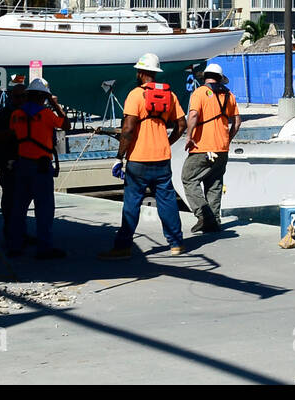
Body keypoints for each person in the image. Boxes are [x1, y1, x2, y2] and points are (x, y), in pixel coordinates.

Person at [98, 53, 188, 259]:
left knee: (132, 204)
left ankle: (122, 247)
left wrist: (119, 156)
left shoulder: (135, 95)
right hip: (162, 158)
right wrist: (168, 142)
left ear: (140, 73)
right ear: (155, 73)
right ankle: (176, 244)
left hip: (138, 159)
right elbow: (181, 125)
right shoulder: (170, 96)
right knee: (167, 201)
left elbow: (128, 129)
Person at [5, 78, 69, 260]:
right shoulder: (46, 114)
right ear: (43, 97)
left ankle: (15, 246)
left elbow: (14, 133)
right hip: (41, 165)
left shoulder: (15, 115)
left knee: (18, 208)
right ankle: (44, 248)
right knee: (44, 209)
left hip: (22, 164)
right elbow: (65, 125)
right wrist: (55, 104)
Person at [181, 63, 240, 233]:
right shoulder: (229, 95)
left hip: (202, 147)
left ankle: (203, 214)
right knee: (214, 183)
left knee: (189, 178)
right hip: (221, 148)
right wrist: (227, 139)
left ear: (205, 76)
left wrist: (189, 136)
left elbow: (193, 115)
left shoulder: (199, 93)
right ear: (220, 78)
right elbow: (237, 122)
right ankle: (214, 221)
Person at [0, 74, 28, 240]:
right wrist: (14, 132)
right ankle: (10, 232)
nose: (20, 100)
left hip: (22, 159)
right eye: (17, 96)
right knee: (10, 198)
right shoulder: (5, 114)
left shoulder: (27, 114)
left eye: (23, 97)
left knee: (22, 198)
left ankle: (20, 232)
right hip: (7, 161)